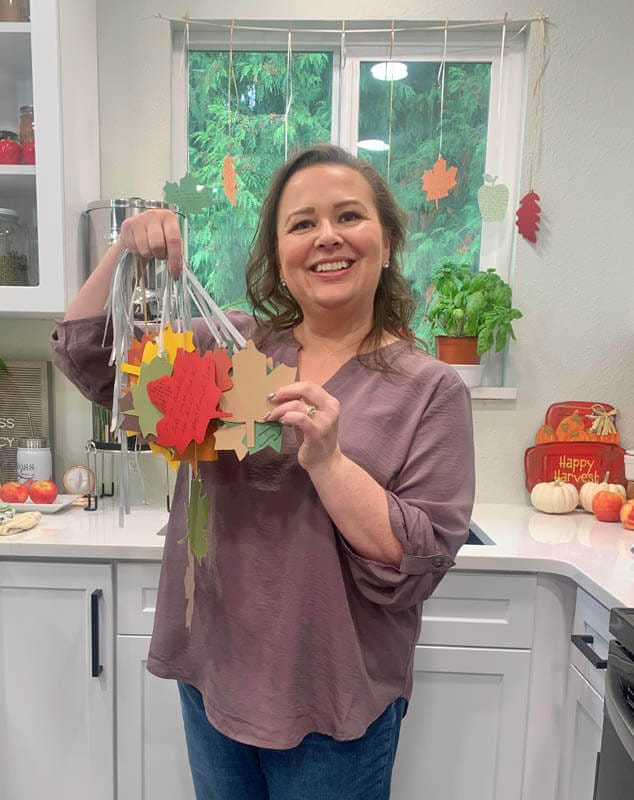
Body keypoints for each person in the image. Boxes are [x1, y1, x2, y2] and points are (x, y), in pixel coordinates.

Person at [51, 143, 475, 800]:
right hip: (216, 679)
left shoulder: (431, 390)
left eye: (348, 217)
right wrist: (126, 252)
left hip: (334, 708)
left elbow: (416, 561)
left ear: (387, 241)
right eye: (302, 223)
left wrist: (329, 461)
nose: (326, 237)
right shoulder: (232, 343)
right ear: (279, 255)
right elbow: (90, 358)